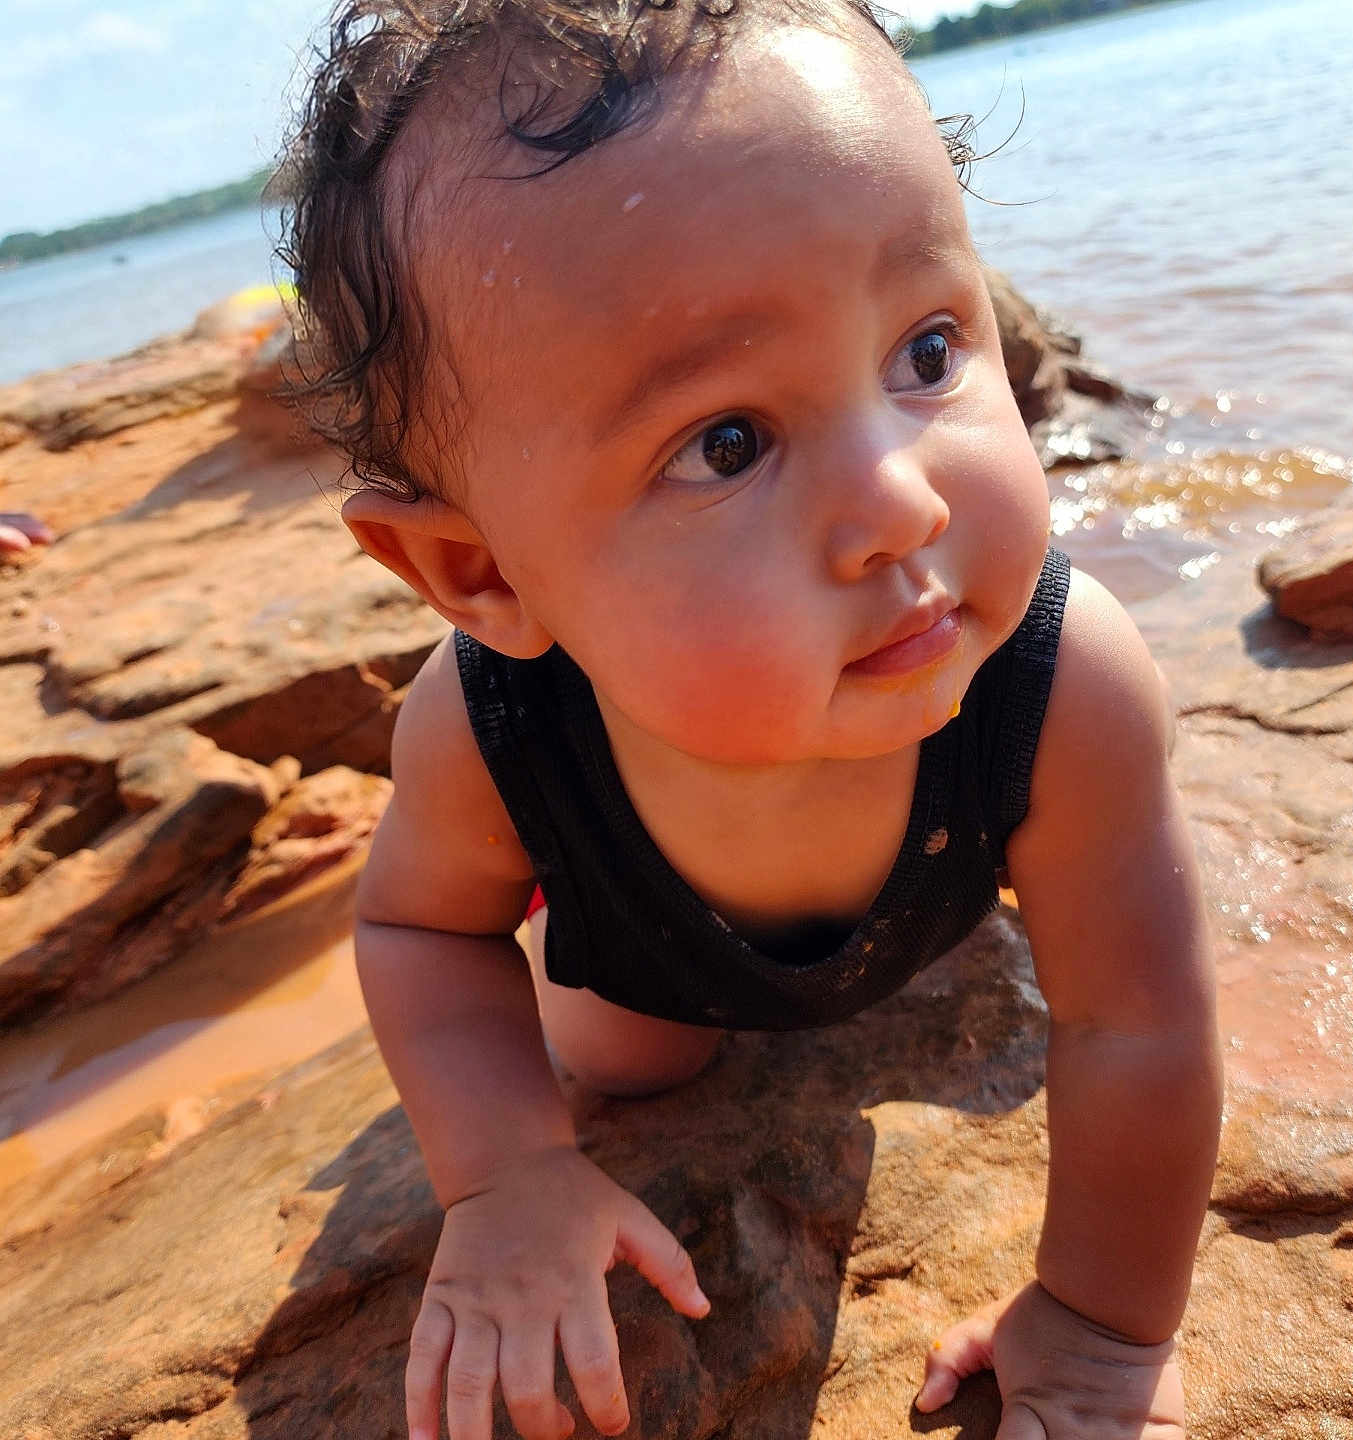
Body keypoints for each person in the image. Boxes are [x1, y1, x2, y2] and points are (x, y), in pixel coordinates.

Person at [282, 3, 1222, 1438]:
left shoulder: (1063, 680)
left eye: (924, 350)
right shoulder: (488, 732)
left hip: (937, 899)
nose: (904, 499)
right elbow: (419, 930)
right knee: (622, 1064)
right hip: (660, 956)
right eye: (729, 444)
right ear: (477, 571)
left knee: (1070, 980)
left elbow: (1142, 1024)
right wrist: (506, 1173)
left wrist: (1103, 1329)